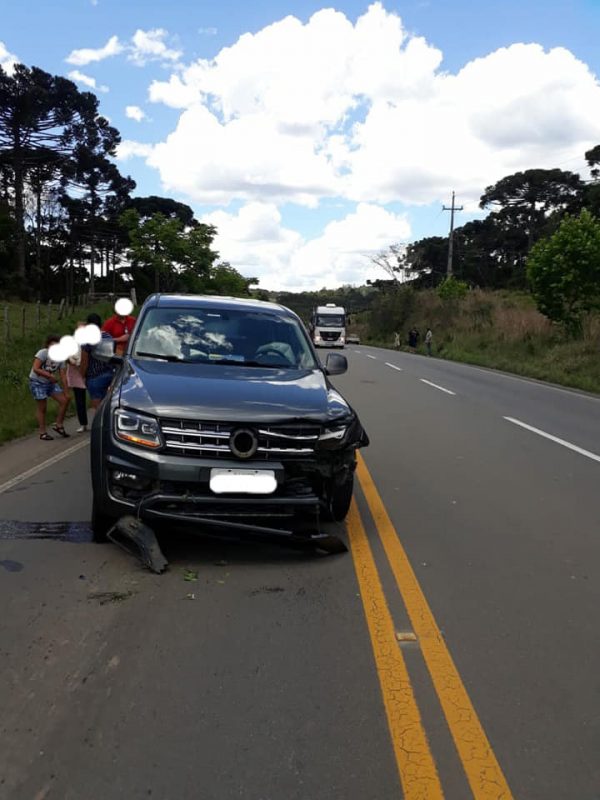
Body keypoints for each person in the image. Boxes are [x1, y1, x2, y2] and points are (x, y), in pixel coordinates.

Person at [29, 334, 70, 440]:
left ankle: (59, 425)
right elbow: (36, 368)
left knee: (64, 401)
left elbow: (63, 375)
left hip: (50, 382)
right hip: (37, 382)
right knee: (42, 407)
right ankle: (42, 432)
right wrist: (49, 376)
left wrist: (66, 392)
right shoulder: (43, 353)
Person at [81, 314, 115, 409]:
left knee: (98, 407)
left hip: (94, 376)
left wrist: (82, 376)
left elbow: (84, 361)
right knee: (108, 405)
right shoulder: (108, 336)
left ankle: (100, 423)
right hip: (109, 373)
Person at [66, 321, 88, 432]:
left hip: (87, 371)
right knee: (79, 399)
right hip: (75, 372)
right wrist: (71, 360)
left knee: (96, 397)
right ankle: (83, 423)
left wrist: (78, 362)